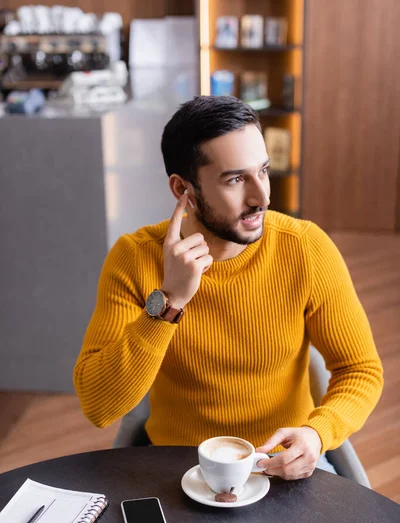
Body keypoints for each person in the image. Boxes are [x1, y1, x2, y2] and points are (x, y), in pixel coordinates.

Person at [74, 95, 383, 480]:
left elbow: (361, 370)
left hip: (281, 463)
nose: (262, 197)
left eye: (264, 171)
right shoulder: (134, 258)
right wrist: (170, 300)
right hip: (178, 467)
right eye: (235, 179)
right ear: (182, 190)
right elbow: (99, 405)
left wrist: (317, 434)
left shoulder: (305, 247)